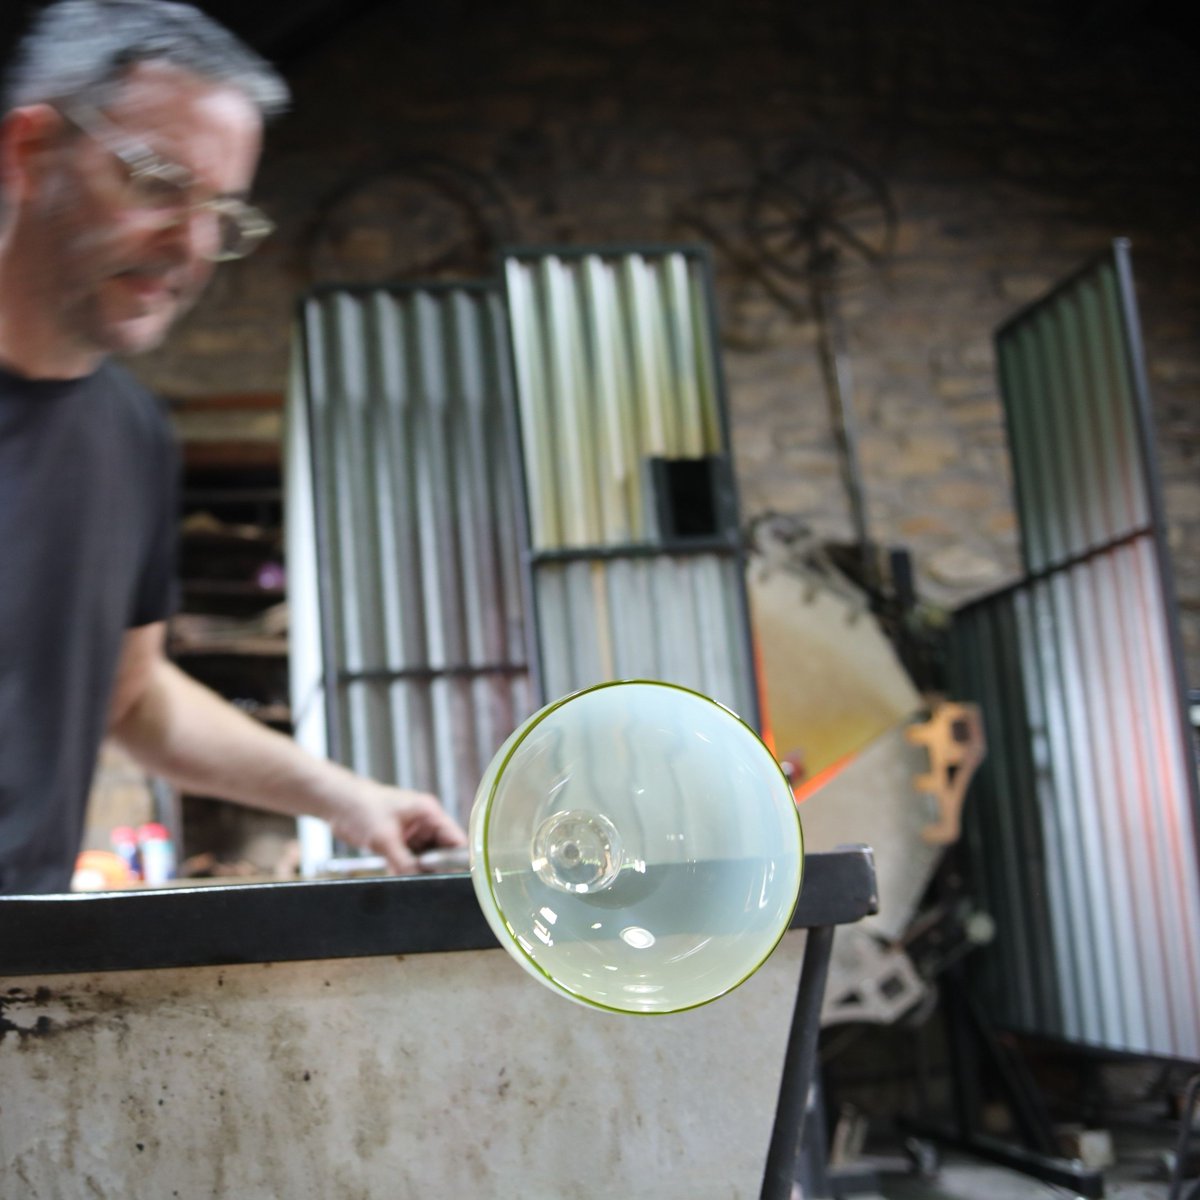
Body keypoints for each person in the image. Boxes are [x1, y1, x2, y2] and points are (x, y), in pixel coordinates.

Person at [0, 0, 466, 894]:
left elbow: (130, 695)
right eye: (155, 182)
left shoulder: (132, 437)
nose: (194, 245)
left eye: (221, 209)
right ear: (29, 151)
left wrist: (342, 795)